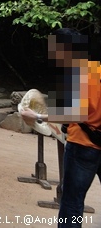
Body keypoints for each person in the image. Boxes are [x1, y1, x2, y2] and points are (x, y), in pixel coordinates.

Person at [20, 28, 100, 227]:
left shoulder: (72, 75)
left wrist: (36, 115)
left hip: (83, 146)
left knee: (72, 202)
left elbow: (70, 113)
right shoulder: (97, 68)